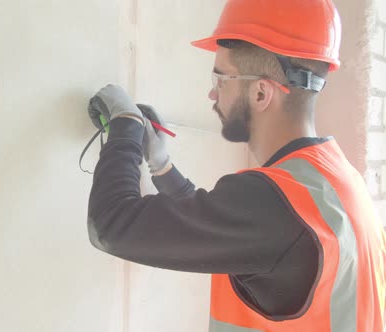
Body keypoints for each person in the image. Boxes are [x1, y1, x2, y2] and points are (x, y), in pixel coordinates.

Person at [86, 0, 386, 331]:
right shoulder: (338, 180)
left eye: (221, 78)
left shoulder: (271, 203)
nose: (212, 94)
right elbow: (222, 221)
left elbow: (111, 225)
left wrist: (125, 124)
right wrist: (162, 166)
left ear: (261, 93)